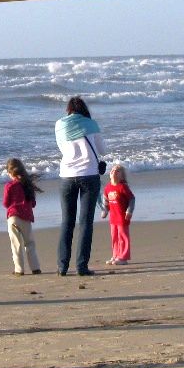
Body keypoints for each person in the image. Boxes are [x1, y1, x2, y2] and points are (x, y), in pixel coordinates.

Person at [54, 96, 105, 276]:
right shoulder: (91, 124)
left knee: (67, 222)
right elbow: (102, 150)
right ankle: (82, 266)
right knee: (85, 223)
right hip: (89, 175)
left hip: (67, 176)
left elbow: (62, 148)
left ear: (68, 109)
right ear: (84, 109)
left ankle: (62, 266)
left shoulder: (60, 125)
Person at [3, 158, 43, 275]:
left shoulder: (9, 186)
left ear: (10, 173)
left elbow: (5, 203)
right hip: (26, 218)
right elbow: (33, 203)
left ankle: (19, 269)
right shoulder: (28, 185)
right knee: (30, 243)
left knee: (16, 244)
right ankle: (35, 268)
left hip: (13, 217)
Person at [100, 164, 135, 265]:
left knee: (123, 237)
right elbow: (105, 201)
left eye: (117, 171)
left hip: (122, 217)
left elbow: (132, 199)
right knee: (114, 237)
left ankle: (123, 257)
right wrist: (105, 211)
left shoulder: (123, 187)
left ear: (122, 176)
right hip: (113, 218)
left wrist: (129, 211)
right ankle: (115, 255)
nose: (114, 171)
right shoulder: (108, 188)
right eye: (113, 170)